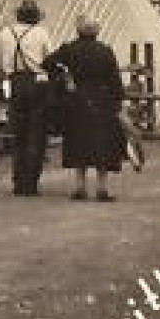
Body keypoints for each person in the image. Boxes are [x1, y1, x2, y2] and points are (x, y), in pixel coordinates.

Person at [44, 16, 127, 201]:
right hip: (101, 101)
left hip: (77, 100)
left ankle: (80, 187)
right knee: (102, 144)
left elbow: (47, 63)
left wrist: (65, 77)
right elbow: (114, 79)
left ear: (78, 31)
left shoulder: (69, 49)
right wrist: (119, 102)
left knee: (78, 141)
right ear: (97, 32)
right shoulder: (105, 51)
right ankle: (102, 188)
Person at [0, 0, 55, 196]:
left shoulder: (5, 33)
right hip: (36, 83)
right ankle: (31, 183)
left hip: (13, 83)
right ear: (35, 16)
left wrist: (0, 84)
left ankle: (18, 182)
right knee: (36, 133)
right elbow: (49, 60)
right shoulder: (41, 33)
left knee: (18, 133)